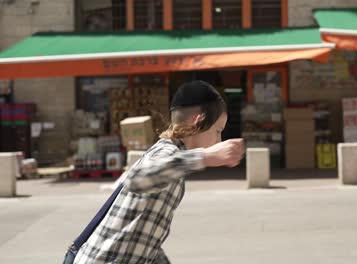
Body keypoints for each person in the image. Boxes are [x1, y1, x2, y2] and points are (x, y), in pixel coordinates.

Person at [69, 81, 244, 263]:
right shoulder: (167, 152)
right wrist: (204, 156)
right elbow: (137, 179)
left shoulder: (171, 156)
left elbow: (146, 233)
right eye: (218, 131)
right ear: (198, 122)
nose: (219, 140)